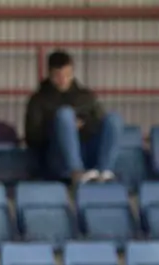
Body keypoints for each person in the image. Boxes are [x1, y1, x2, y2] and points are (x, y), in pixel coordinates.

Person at [24, 50, 122, 183]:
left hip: (88, 149)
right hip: (57, 155)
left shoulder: (86, 96)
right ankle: (76, 171)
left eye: (67, 75)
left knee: (114, 119)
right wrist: (60, 127)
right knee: (65, 115)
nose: (63, 80)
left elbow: (100, 122)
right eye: (58, 76)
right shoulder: (38, 100)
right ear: (50, 74)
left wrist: (82, 126)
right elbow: (32, 137)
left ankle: (105, 171)